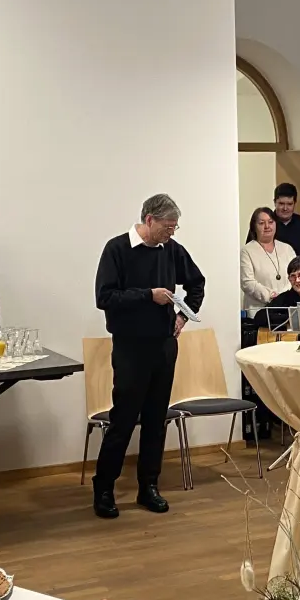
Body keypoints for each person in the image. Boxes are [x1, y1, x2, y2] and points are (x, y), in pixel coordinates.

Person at [93, 194, 206, 520]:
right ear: (149, 220)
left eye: (175, 227)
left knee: (157, 420)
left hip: (163, 346)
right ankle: (103, 489)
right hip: (130, 347)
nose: (171, 233)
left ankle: (149, 486)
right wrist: (148, 296)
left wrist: (184, 315)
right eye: (167, 227)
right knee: (123, 420)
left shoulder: (172, 250)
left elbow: (197, 283)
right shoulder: (117, 249)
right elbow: (105, 297)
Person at [240, 207, 298, 312]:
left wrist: (283, 297)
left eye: (271, 222)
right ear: (254, 227)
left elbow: (295, 275)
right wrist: (271, 296)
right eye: (261, 223)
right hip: (258, 310)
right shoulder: (247, 251)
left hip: (286, 308)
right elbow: (247, 282)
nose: (267, 226)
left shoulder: (287, 249)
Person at [272, 182, 300, 257]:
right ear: (275, 202)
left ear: (295, 203)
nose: (285, 208)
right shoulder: (263, 224)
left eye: (289, 204)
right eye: (281, 204)